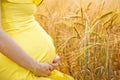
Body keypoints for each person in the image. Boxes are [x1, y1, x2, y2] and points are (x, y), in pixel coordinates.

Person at [0, 0, 74, 80]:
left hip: (33, 67)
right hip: (16, 69)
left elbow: (25, 21)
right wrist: (35, 66)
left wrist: (49, 54)